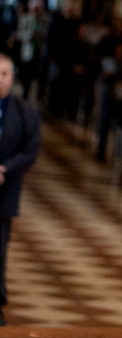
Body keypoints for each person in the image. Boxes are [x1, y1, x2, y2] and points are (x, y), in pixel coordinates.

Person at [0, 54, 41, 325]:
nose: (0, 79)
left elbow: (30, 151)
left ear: (12, 78)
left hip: (6, 189)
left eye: (4, 74)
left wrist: (4, 169)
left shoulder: (25, 112)